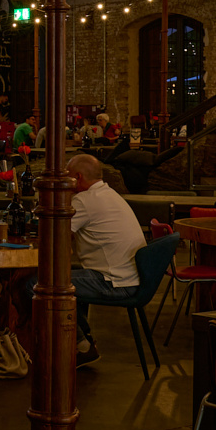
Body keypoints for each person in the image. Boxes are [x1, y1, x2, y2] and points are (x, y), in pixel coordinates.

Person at [61, 153, 146, 367]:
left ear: (78, 178)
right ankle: (84, 343)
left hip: (115, 283)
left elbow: (55, 234)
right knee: (68, 273)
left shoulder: (84, 200)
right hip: (130, 277)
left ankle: (80, 344)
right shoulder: (109, 194)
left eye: (68, 177)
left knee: (41, 284)